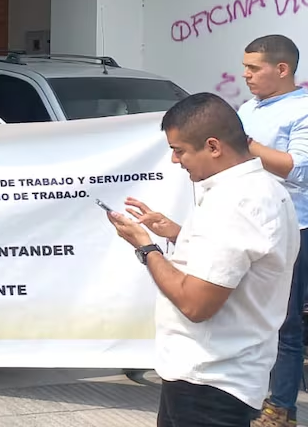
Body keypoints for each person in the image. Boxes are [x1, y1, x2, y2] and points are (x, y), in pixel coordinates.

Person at [106, 93, 297, 427]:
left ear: (213, 146)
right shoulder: (262, 188)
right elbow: (238, 260)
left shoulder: (235, 202)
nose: (175, 160)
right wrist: (178, 234)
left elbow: (195, 304)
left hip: (210, 381)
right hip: (211, 375)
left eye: (179, 150)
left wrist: (146, 248)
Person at [232, 35, 308, 427]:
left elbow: (298, 169)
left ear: (282, 69)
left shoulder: (303, 109)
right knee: (249, 316)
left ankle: (281, 409)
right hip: (247, 222)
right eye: (244, 67)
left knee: (284, 323)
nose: (246, 75)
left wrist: (244, 143)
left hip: (292, 228)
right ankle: (249, 396)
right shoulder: (247, 108)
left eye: (253, 68)